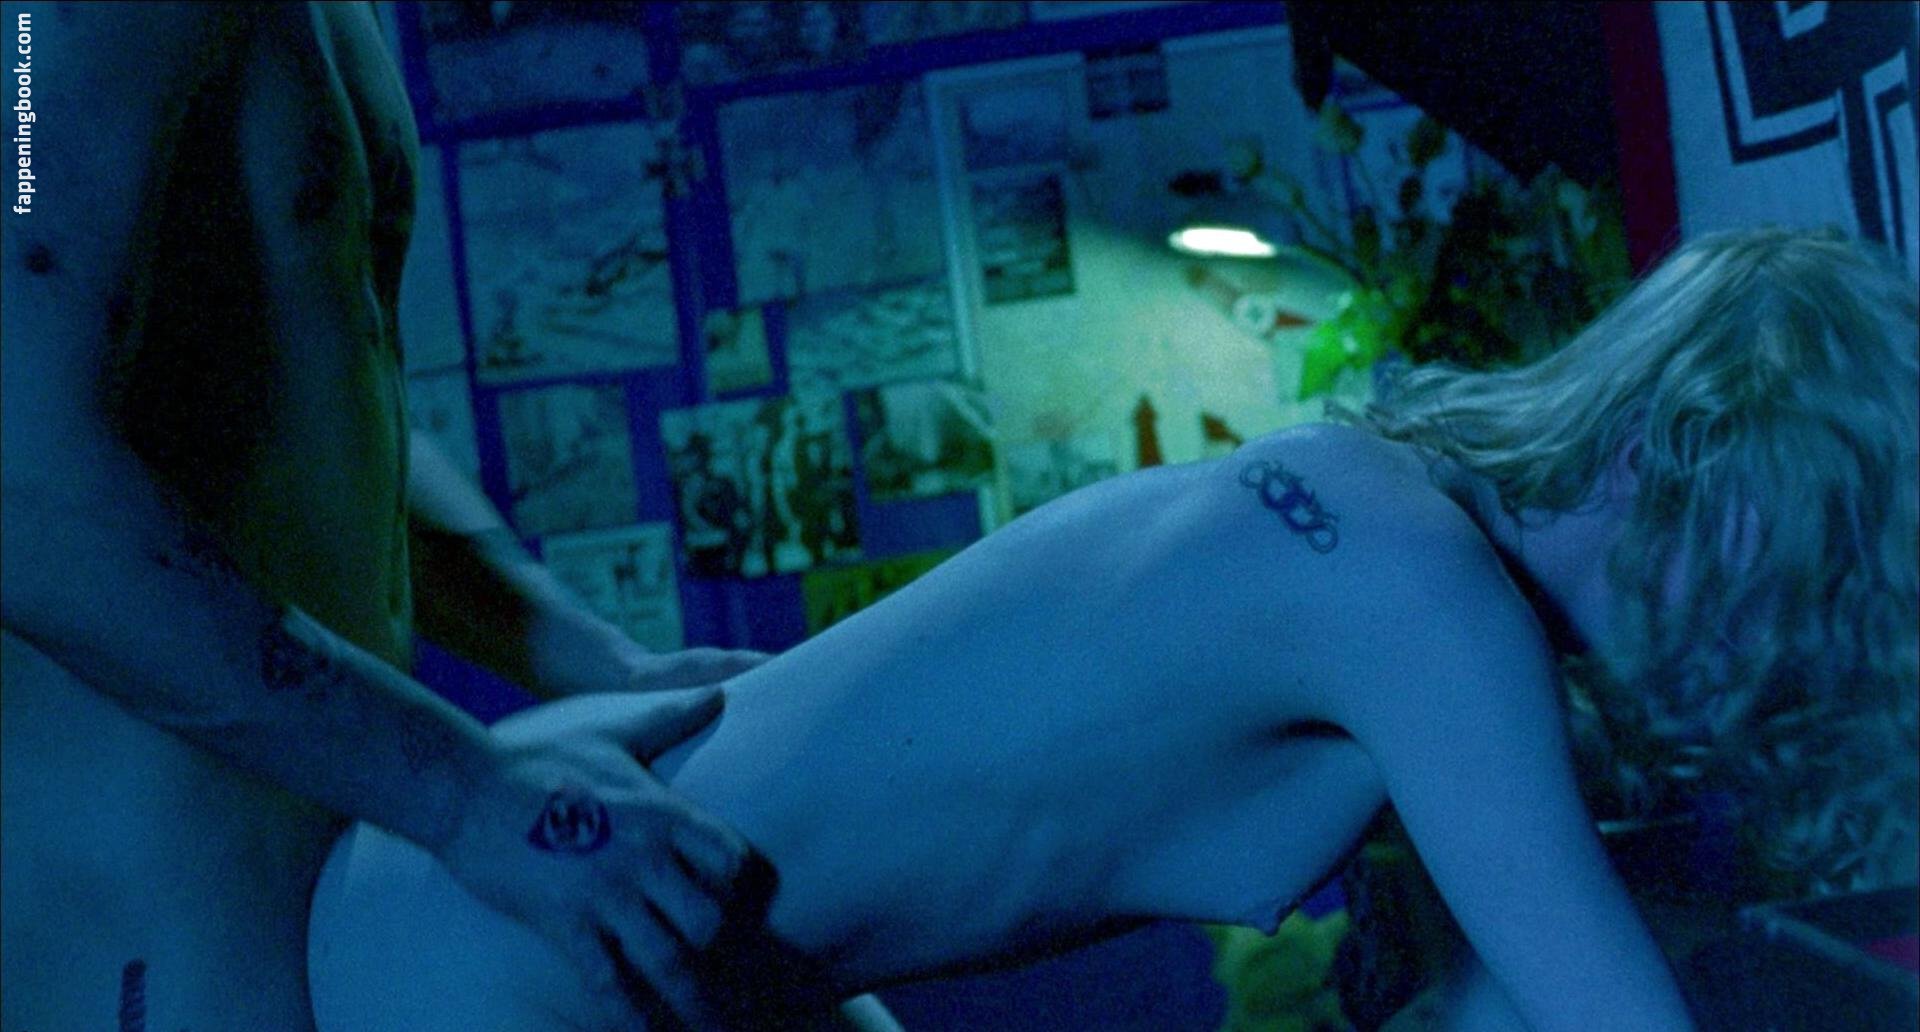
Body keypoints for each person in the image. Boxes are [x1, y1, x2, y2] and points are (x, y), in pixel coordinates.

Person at [311, 226, 1919, 1030]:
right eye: (1776, 575)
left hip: (613, 912)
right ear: (1666, 455)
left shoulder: (1385, 527)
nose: (1762, 644)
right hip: (536, 930)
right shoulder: (1417, 599)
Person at [0, 5, 772, 1030]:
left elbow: (311, 386)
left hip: (356, 845)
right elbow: (23, 496)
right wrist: (462, 794)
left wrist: (589, 656)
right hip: (160, 929)